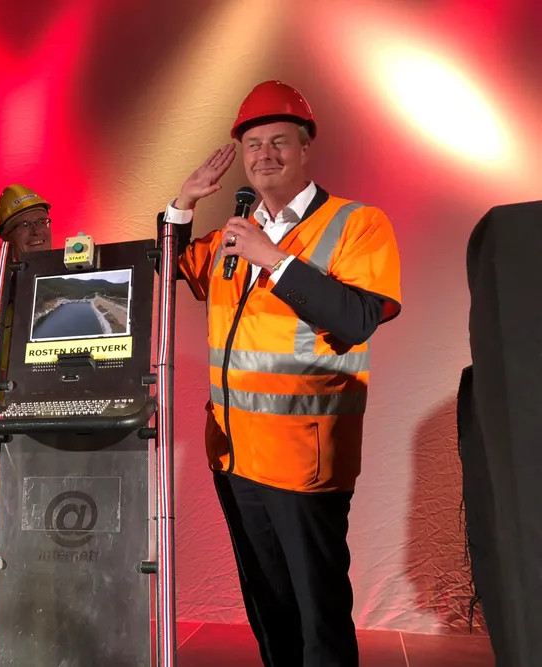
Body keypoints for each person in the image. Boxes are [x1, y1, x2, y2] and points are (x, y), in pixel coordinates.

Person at [159, 81, 402, 667]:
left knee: (319, 611)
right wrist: (183, 203)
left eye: (279, 142)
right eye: (253, 145)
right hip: (235, 456)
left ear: (305, 148)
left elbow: (358, 318)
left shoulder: (357, 223)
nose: (264, 154)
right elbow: (166, 269)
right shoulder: (231, 235)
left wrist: (274, 259)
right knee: (268, 606)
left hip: (304, 459)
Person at [0, 184, 53, 368]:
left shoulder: (78, 285)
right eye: (25, 225)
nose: (36, 231)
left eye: (41, 222)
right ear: (6, 237)